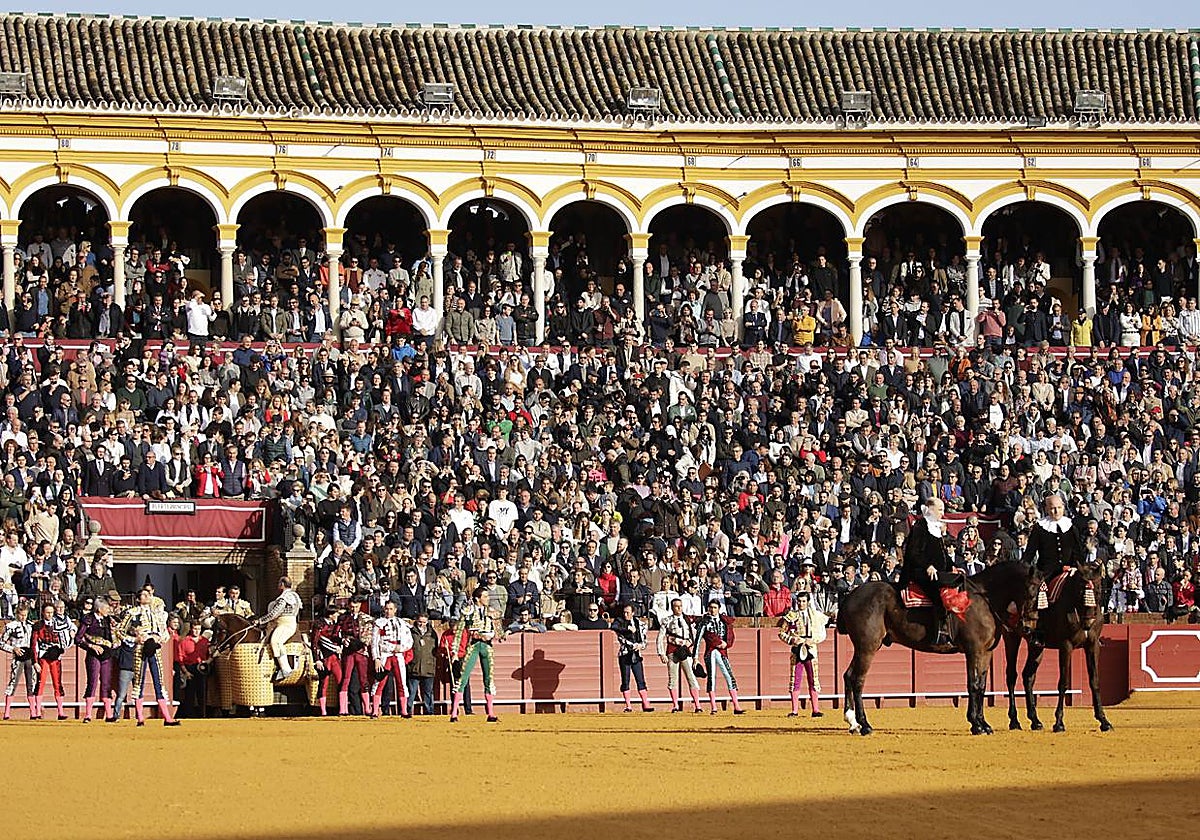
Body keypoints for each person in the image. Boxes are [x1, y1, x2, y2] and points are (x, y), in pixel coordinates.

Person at [901, 497, 967, 644]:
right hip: (919, 571)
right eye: (940, 510)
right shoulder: (920, 526)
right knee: (938, 596)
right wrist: (927, 566)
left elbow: (942, 554)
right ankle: (941, 632)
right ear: (930, 509)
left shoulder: (935, 527)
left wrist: (953, 566)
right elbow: (913, 553)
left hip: (937, 571)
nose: (942, 514)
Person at [1022, 494, 1088, 631]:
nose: (1056, 511)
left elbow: (1078, 552)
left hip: (1070, 571)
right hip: (1046, 573)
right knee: (1036, 597)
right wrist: (1025, 570)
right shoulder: (1039, 527)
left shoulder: (1071, 526)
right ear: (1046, 509)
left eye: (1059, 507)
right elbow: (1029, 553)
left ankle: (1088, 626)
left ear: (1063, 507)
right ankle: (1038, 631)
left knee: (1088, 590)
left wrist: (1076, 567)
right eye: (1052, 508)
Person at [115, 587, 180, 726]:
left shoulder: (156, 614)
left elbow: (164, 632)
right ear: (138, 599)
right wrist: (134, 639)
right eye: (144, 595)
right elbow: (119, 631)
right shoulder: (132, 613)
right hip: (140, 648)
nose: (148, 597)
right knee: (139, 683)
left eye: (148, 594)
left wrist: (160, 638)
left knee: (159, 682)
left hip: (154, 648)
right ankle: (140, 718)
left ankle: (167, 718)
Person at [450, 586, 503, 723]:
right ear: (477, 599)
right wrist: (454, 651)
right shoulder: (468, 611)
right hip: (473, 646)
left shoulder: (492, 612)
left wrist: (493, 634)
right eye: (485, 596)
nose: (488, 598)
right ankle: (454, 713)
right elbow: (459, 632)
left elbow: (500, 634)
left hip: (487, 647)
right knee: (462, 678)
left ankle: (491, 713)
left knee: (489, 679)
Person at [778, 590, 827, 717]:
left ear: (808, 602)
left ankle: (815, 710)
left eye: (804, 601)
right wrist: (791, 639)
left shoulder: (816, 616)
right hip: (796, 650)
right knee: (795, 679)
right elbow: (781, 633)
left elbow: (822, 634)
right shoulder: (791, 616)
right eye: (799, 601)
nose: (801, 603)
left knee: (813, 679)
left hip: (811, 649)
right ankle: (795, 710)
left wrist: (813, 640)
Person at [693, 599, 744, 714]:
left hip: (722, 651)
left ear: (719, 609)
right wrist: (695, 657)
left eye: (715, 607)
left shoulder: (724, 621)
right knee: (711, 678)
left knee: (729, 676)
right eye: (711, 607)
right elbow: (698, 640)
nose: (712, 610)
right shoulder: (704, 622)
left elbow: (730, 637)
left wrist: (727, 644)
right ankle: (713, 707)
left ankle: (736, 706)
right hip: (710, 652)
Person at [656, 597, 702, 713]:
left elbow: (694, 635)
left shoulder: (687, 619)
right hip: (672, 652)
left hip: (685, 651)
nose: (679, 608)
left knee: (691, 677)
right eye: (676, 606)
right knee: (673, 679)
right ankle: (675, 705)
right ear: (672, 608)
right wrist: (661, 653)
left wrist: (689, 643)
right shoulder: (667, 620)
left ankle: (697, 705)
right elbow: (660, 638)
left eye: (680, 606)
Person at [77, 596, 117, 723]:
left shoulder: (108, 620)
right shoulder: (88, 619)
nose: (108, 610)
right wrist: (91, 646)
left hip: (107, 654)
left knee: (106, 683)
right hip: (93, 655)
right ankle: (88, 715)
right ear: (99, 609)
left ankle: (109, 715)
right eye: (106, 608)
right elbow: (78, 639)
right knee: (92, 682)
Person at [370, 600, 412, 719]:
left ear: (395, 610)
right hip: (384, 655)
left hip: (398, 654)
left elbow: (409, 641)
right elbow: (374, 643)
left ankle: (404, 711)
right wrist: (376, 658)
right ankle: (375, 711)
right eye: (387, 609)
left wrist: (401, 648)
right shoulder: (379, 623)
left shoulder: (402, 623)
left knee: (402, 682)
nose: (388, 611)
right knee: (379, 682)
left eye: (391, 609)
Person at [32, 602, 74, 720]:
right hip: (43, 656)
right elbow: (34, 645)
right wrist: (35, 661)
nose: (50, 615)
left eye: (51, 612)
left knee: (57, 683)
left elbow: (67, 636)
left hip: (55, 657)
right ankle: (37, 712)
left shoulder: (59, 624)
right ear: (43, 613)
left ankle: (61, 712)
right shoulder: (38, 626)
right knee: (40, 683)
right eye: (47, 612)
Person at [257, 576, 303, 682]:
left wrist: (259, 621)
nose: (278, 586)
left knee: (276, 641)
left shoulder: (284, 598)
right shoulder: (295, 596)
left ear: (282, 585)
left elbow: (274, 614)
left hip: (284, 624)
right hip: (290, 622)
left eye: (279, 583)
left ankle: (285, 669)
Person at [612, 602, 653, 712]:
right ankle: (628, 705)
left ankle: (646, 703)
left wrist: (640, 646)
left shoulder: (640, 624)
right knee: (625, 680)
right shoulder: (620, 622)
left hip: (636, 654)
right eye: (624, 612)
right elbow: (619, 635)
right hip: (625, 654)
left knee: (640, 679)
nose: (625, 615)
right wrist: (628, 630)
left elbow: (644, 640)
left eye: (628, 612)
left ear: (633, 613)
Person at [337, 600, 374, 716]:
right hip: (349, 651)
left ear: (360, 606)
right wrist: (343, 640)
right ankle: (343, 709)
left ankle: (367, 708)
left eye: (356, 606)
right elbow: (337, 633)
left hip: (361, 651)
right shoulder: (343, 618)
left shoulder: (367, 619)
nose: (354, 609)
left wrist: (362, 643)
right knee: (346, 678)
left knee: (363, 680)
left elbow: (368, 637)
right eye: (352, 607)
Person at [1, 603, 35, 720]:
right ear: (17, 614)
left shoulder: (31, 626)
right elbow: (1, 643)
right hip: (18, 658)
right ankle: (6, 713)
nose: (23, 617)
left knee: (31, 684)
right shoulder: (10, 626)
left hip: (29, 657)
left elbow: (35, 643)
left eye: (25, 615)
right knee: (13, 683)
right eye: (21, 615)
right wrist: (13, 649)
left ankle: (33, 712)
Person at [310, 607, 344, 717]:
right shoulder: (319, 625)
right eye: (336, 613)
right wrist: (317, 660)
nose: (337, 615)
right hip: (325, 657)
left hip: (334, 657)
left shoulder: (335, 625)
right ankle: (323, 711)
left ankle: (342, 709)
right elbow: (315, 643)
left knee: (341, 680)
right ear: (331, 615)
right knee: (324, 683)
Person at [175, 620, 211, 718]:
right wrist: (186, 672)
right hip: (189, 668)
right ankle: (189, 715)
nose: (197, 631)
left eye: (199, 629)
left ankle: (202, 714)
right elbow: (180, 657)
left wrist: (207, 662)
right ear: (191, 629)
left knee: (202, 692)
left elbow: (209, 655)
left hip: (201, 667)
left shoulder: (205, 641)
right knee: (189, 693)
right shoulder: (184, 641)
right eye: (195, 629)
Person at [439, 618, 472, 717]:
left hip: (462, 658)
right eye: (452, 629)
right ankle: (455, 708)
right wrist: (445, 649)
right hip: (452, 660)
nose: (454, 632)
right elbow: (442, 648)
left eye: (455, 630)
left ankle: (468, 709)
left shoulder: (464, 633)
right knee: (454, 684)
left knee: (465, 684)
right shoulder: (446, 634)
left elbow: (468, 645)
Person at [407, 613, 438, 716]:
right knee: (411, 692)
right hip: (414, 666)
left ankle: (429, 711)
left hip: (428, 666)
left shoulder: (432, 634)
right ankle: (407, 711)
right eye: (420, 622)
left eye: (424, 622)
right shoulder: (411, 632)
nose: (422, 624)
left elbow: (436, 650)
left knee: (428, 692)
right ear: (416, 621)